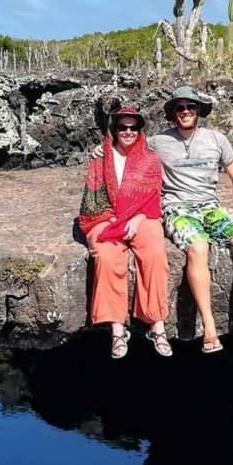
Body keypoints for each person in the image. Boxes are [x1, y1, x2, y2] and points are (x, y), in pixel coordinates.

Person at [95, 85, 233, 352]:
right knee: (198, 247)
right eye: (180, 108)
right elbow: (125, 143)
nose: (186, 112)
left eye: (190, 107)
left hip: (211, 208)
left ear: (198, 111)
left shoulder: (218, 140)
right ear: (173, 113)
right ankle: (209, 328)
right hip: (177, 210)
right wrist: (102, 151)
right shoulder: (158, 142)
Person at [77, 105, 173, 359]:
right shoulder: (101, 157)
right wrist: (111, 219)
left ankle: (157, 324)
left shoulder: (150, 159)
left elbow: (154, 196)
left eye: (133, 127)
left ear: (140, 130)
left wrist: (139, 216)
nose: (128, 132)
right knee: (106, 256)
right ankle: (118, 329)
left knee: (154, 252)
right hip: (106, 217)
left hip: (142, 216)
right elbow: (92, 199)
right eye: (122, 127)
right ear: (115, 130)